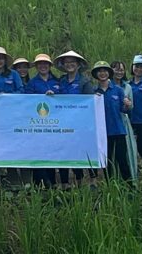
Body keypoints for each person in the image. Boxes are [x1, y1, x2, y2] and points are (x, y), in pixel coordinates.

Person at [91, 61, 133, 181]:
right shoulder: (94, 92)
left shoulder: (118, 90)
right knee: (107, 161)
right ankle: (111, 186)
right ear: (96, 74)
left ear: (109, 73)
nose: (102, 73)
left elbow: (124, 110)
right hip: (102, 133)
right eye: (99, 71)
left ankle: (129, 186)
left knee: (122, 160)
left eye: (105, 71)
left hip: (118, 130)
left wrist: (127, 105)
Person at [54, 50, 91, 187]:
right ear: (63, 65)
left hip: (79, 124)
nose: (69, 65)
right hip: (62, 123)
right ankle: (64, 183)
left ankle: (80, 181)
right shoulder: (61, 81)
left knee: (76, 151)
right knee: (63, 151)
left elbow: (90, 102)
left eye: (72, 62)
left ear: (78, 64)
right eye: (67, 62)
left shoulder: (84, 81)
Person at [26, 54, 61, 187]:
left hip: (54, 124)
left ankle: (51, 181)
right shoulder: (32, 83)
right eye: (39, 64)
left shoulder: (57, 82)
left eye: (45, 63)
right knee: (37, 151)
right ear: (36, 66)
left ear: (50, 66)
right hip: (36, 123)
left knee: (51, 150)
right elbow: (27, 101)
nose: (43, 66)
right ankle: (39, 182)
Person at [110, 60, 138, 184]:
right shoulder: (106, 85)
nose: (119, 72)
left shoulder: (127, 87)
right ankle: (113, 181)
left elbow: (131, 108)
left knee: (127, 152)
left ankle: (131, 180)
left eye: (121, 70)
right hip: (110, 122)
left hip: (124, 122)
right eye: (116, 69)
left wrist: (128, 105)